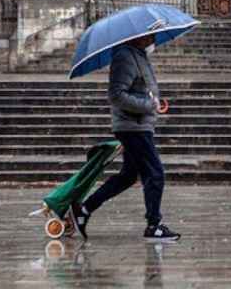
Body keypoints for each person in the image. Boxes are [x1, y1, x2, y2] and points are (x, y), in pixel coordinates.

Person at [70, 33, 181, 243]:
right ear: (138, 37)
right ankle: (153, 225)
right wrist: (149, 105)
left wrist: (152, 100)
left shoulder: (138, 56)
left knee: (128, 176)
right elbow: (116, 95)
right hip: (133, 127)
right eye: (151, 36)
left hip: (139, 125)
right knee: (155, 173)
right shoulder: (124, 57)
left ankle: (83, 210)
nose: (154, 41)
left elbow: (139, 89)